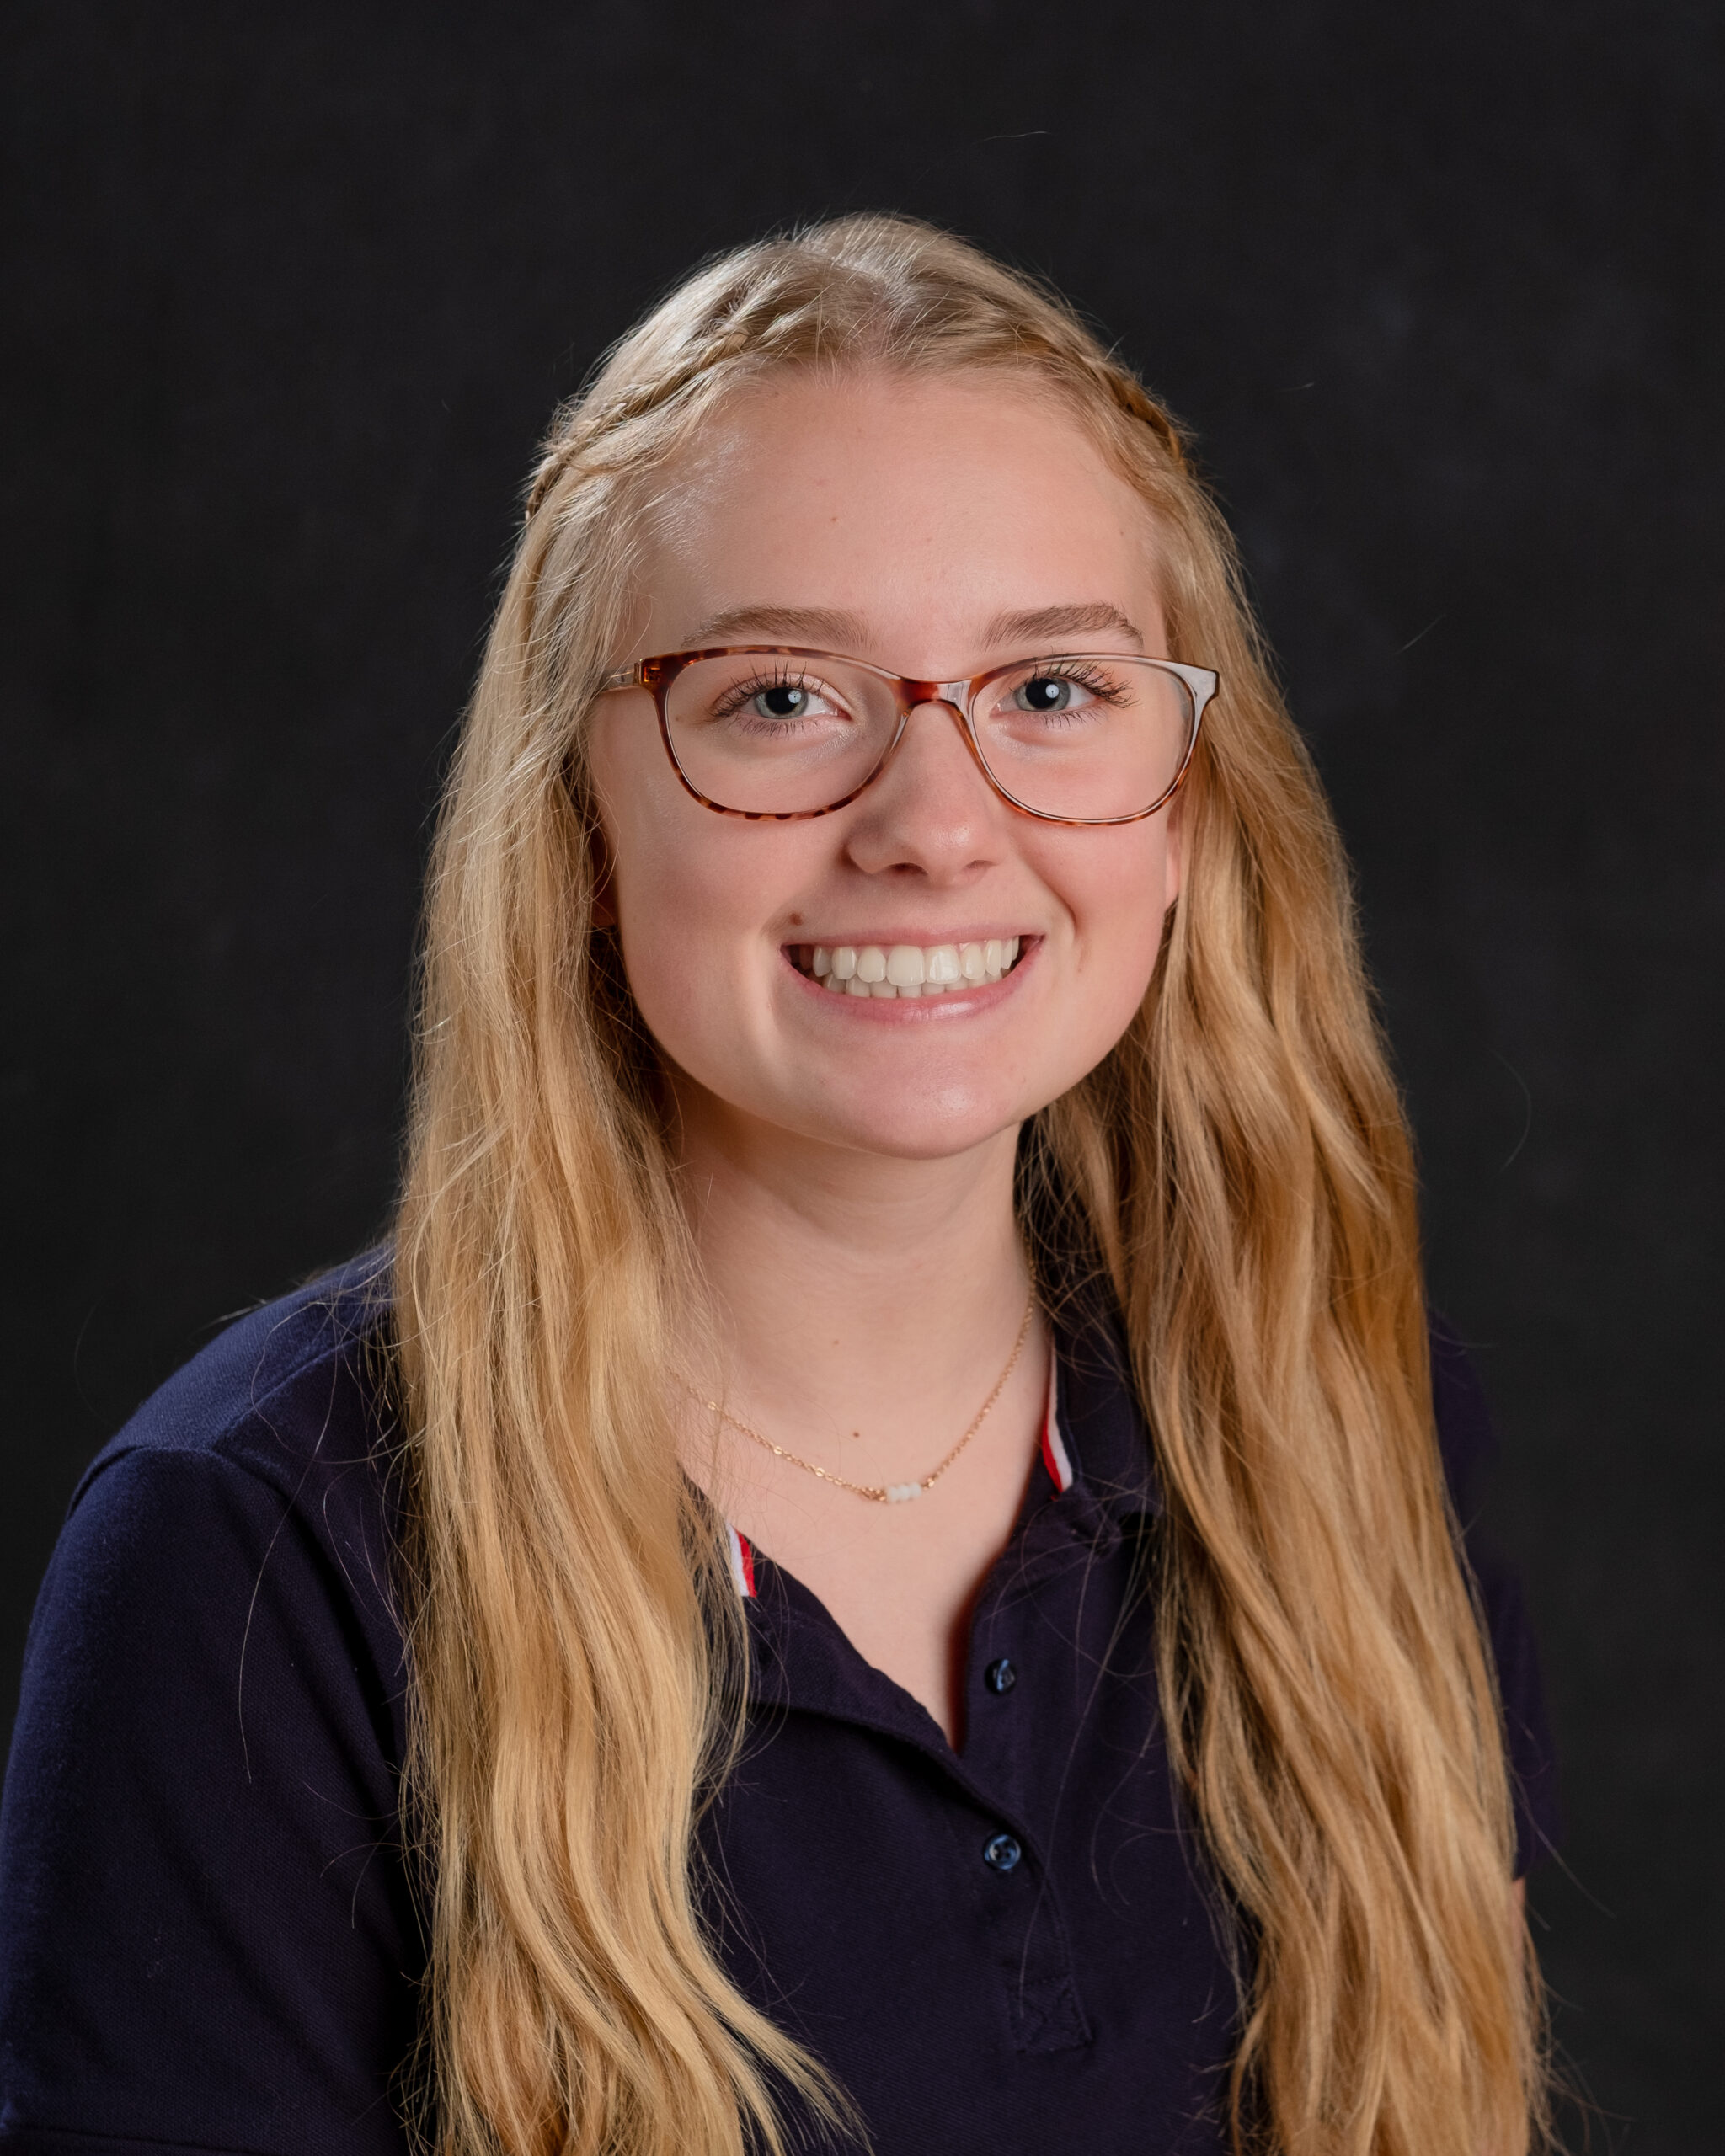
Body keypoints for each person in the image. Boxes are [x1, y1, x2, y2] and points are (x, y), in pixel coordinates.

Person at [0, 216, 1557, 2156]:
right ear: (577, 817)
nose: (932, 824)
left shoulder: (1335, 1416)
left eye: (1052, 690)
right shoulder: (249, 1561)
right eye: (779, 698)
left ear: (1187, 801)